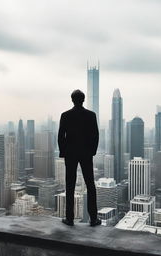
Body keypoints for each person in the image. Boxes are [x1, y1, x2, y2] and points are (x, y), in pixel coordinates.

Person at [58, 89, 101, 227]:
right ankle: (93, 218)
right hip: (86, 153)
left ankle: (69, 218)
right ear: (83, 100)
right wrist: (92, 152)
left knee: (70, 185)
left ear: (72, 99)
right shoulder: (91, 115)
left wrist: (64, 152)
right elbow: (96, 135)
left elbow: (60, 137)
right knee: (90, 184)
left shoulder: (65, 115)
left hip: (70, 154)